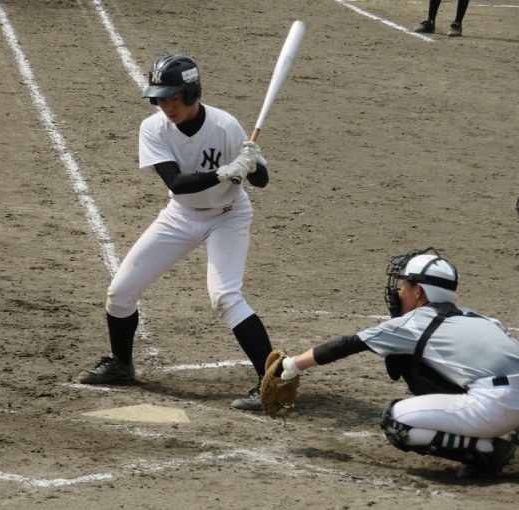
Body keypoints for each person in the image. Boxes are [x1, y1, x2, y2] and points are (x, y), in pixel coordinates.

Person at [77, 54, 273, 411]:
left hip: (227, 216)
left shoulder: (225, 125)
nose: (167, 107)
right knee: (120, 293)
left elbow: (261, 181)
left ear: (192, 93)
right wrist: (223, 172)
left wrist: (252, 164)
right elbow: (177, 183)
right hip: (179, 215)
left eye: (174, 98)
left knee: (225, 296)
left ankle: (272, 382)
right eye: (160, 99)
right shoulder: (153, 128)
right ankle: (121, 364)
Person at [275, 247, 519, 478]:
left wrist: (291, 365)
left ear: (418, 292)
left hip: (494, 407)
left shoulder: (414, 323)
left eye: (403, 285)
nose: (399, 291)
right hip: (508, 404)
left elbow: (348, 344)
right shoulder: (481, 319)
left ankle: (489, 450)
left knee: (396, 421)